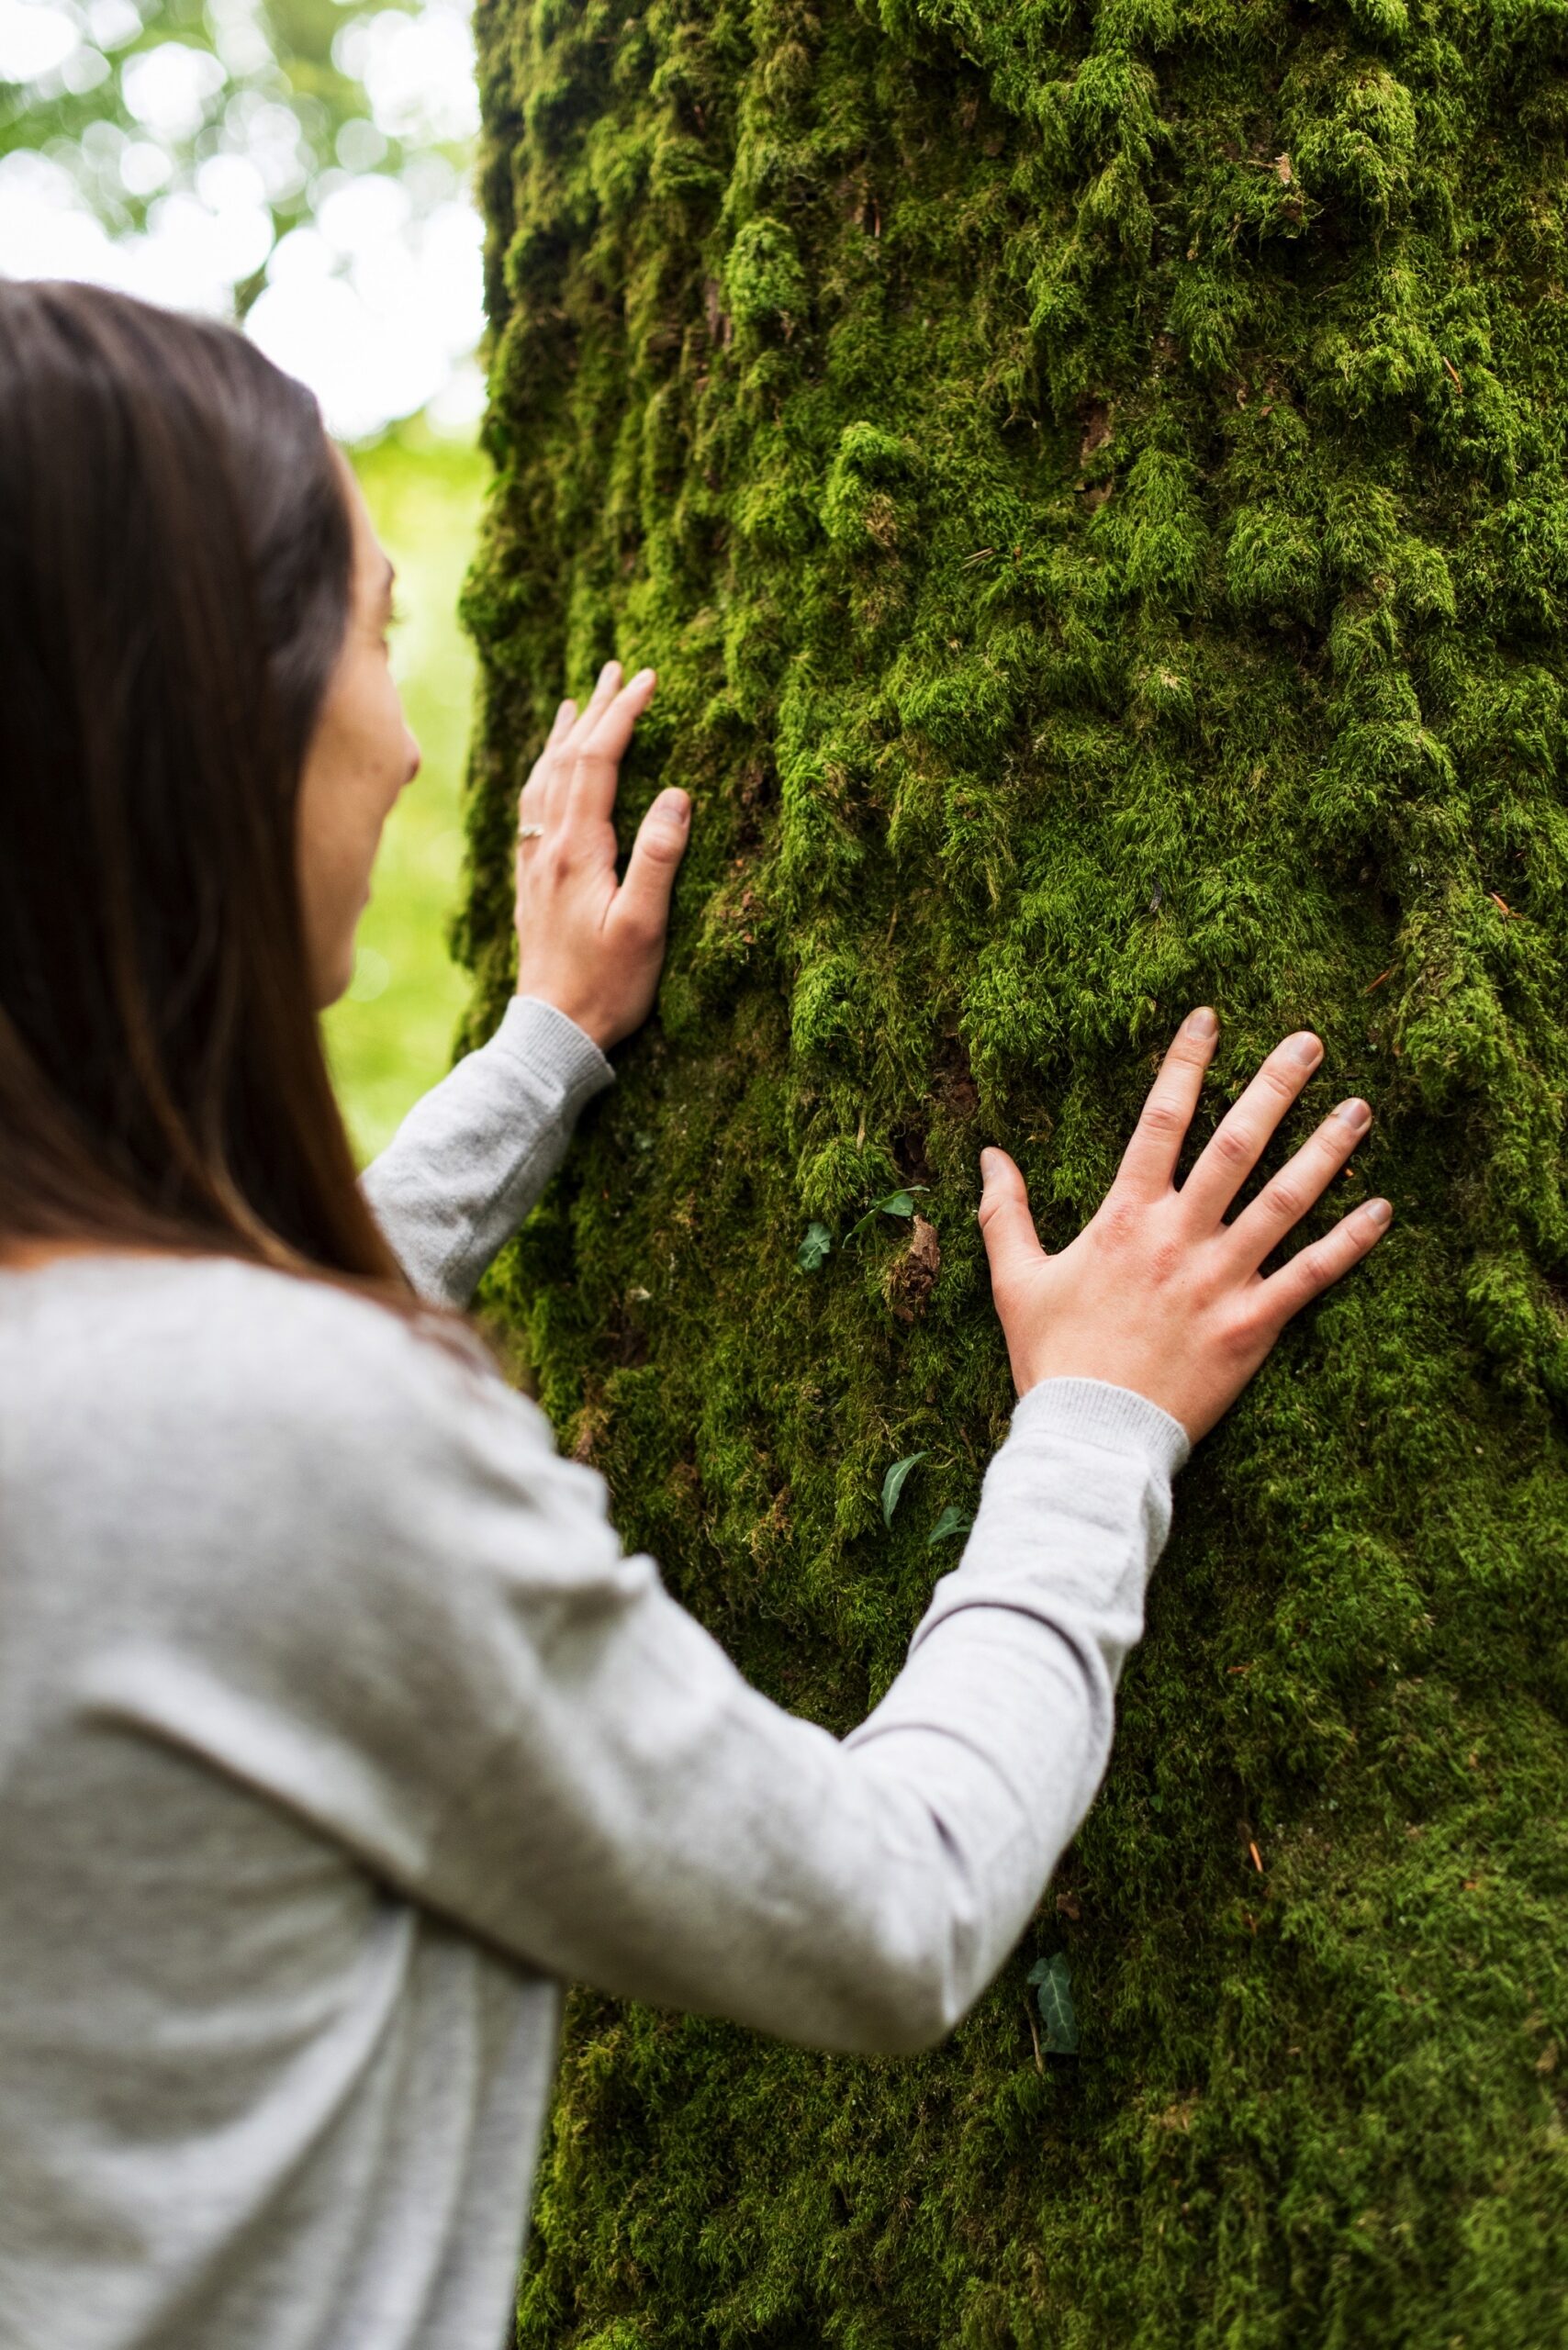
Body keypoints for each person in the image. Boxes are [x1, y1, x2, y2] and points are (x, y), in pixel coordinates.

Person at [0, 280, 1392, 2350]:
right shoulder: (290, 1434)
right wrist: (1093, 1432)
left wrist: (544, 1048)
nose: (400, 742)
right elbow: (889, 1905)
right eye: (375, 631)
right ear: (204, 714)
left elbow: (192, 1375)